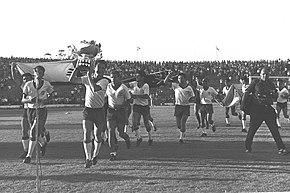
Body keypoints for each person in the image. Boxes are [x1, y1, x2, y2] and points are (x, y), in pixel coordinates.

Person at [69, 60, 109, 168]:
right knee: (86, 134)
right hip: (88, 110)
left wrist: (88, 76)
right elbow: (72, 80)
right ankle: (88, 158)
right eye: (99, 67)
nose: (101, 70)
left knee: (97, 135)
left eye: (103, 68)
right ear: (94, 68)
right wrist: (76, 69)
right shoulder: (88, 78)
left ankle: (95, 155)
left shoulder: (104, 81)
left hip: (99, 111)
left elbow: (95, 88)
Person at [241, 67, 287, 154]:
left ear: (269, 75)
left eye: (266, 74)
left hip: (268, 109)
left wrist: (274, 94)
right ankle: (248, 147)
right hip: (257, 109)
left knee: (274, 129)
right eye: (263, 74)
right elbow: (247, 92)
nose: (264, 76)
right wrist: (243, 104)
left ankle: (281, 148)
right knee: (252, 130)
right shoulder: (255, 82)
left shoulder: (271, 84)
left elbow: (275, 97)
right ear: (260, 74)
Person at [10, 63, 51, 158]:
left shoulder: (41, 84)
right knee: (25, 131)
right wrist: (13, 68)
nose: (25, 81)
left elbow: (49, 93)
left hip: (39, 109)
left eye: (27, 79)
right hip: (28, 110)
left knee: (37, 131)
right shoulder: (25, 86)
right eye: (24, 79)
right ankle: (26, 151)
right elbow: (15, 78)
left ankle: (42, 139)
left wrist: (45, 99)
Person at [22, 65, 54, 164]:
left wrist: (46, 100)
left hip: (41, 110)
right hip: (30, 110)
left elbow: (51, 95)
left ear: (43, 74)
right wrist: (29, 100)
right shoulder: (28, 85)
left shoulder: (46, 84)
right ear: (34, 73)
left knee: (33, 132)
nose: (38, 75)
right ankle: (43, 144)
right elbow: (23, 100)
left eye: (40, 73)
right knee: (37, 133)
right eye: (37, 72)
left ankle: (29, 156)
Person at [106, 70, 131, 161]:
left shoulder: (123, 88)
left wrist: (121, 105)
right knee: (111, 132)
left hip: (121, 111)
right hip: (111, 111)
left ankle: (126, 138)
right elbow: (105, 97)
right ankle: (113, 153)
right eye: (111, 77)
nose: (113, 79)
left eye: (115, 77)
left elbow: (129, 100)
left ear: (119, 78)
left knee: (121, 133)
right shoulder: (108, 87)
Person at [164, 71, 195, 143]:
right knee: (178, 125)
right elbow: (165, 82)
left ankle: (181, 138)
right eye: (179, 78)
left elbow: (193, 96)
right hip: (178, 106)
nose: (180, 80)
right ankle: (183, 131)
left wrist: (191, 99)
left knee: (183, 121)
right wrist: (169, 75)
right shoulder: (175, 86)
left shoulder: (189, 88)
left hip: (186, 106)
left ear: (185, 79)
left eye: (181, 78)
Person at [128, 70, 153, 146]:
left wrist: (136, 96)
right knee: (134, 122)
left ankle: (150, 137)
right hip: (136, 106)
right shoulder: (134, 84)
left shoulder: (146, 85)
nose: (136, 77)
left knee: (146, 124)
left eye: (138, 76)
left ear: (142, 78)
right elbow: (126, 85)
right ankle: (139, 137)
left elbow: (146, 96)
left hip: (144, 106)